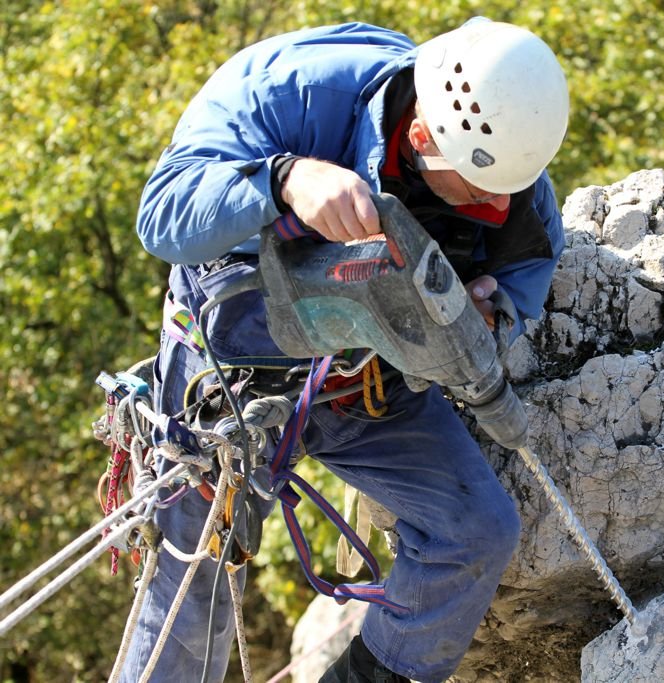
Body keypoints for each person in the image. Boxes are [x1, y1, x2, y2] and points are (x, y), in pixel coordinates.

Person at [119, 16, 569, 683]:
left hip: (366, 372)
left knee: (475, 532)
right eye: (478, 192)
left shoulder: (511, 172)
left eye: (510, 192)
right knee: (195, 582)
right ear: (420, 136)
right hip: (232, 358)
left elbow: (526, 274)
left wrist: (488, 318)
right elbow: (162, 215)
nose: (497, 205)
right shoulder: (293, 91)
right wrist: (283, 181)